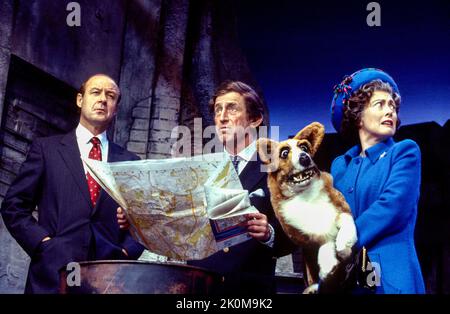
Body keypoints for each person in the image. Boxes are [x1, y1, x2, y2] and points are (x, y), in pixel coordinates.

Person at [117, 80, 295, 294]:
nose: (222, 117)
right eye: (218, 110)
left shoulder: (276, 168)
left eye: (232, 108)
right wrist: (136, 218)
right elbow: (175, 222)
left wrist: (270, 233)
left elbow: (298, 233)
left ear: (255, 119)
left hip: (248, 289)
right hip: (199, 286)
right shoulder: (199, 170)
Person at [1, 74, 144, 293]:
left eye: (111, 96)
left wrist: (125, 252)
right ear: (80, 100)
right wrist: (43, 244)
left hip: (108, 282)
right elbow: (14, 206)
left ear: (115, 108)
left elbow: (146, 221)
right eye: (95, 92)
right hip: (52, 278)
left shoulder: (130, 162)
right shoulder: (46, 149)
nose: (103, 99)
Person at [330, 68, 425, 294]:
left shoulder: (404, 152)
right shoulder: (340, 166)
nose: (390, 111)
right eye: (379, 104)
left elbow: (393, 207)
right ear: (358, 115)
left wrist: (344, 241)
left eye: (392, 105)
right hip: (349, 279)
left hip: (391, 277)